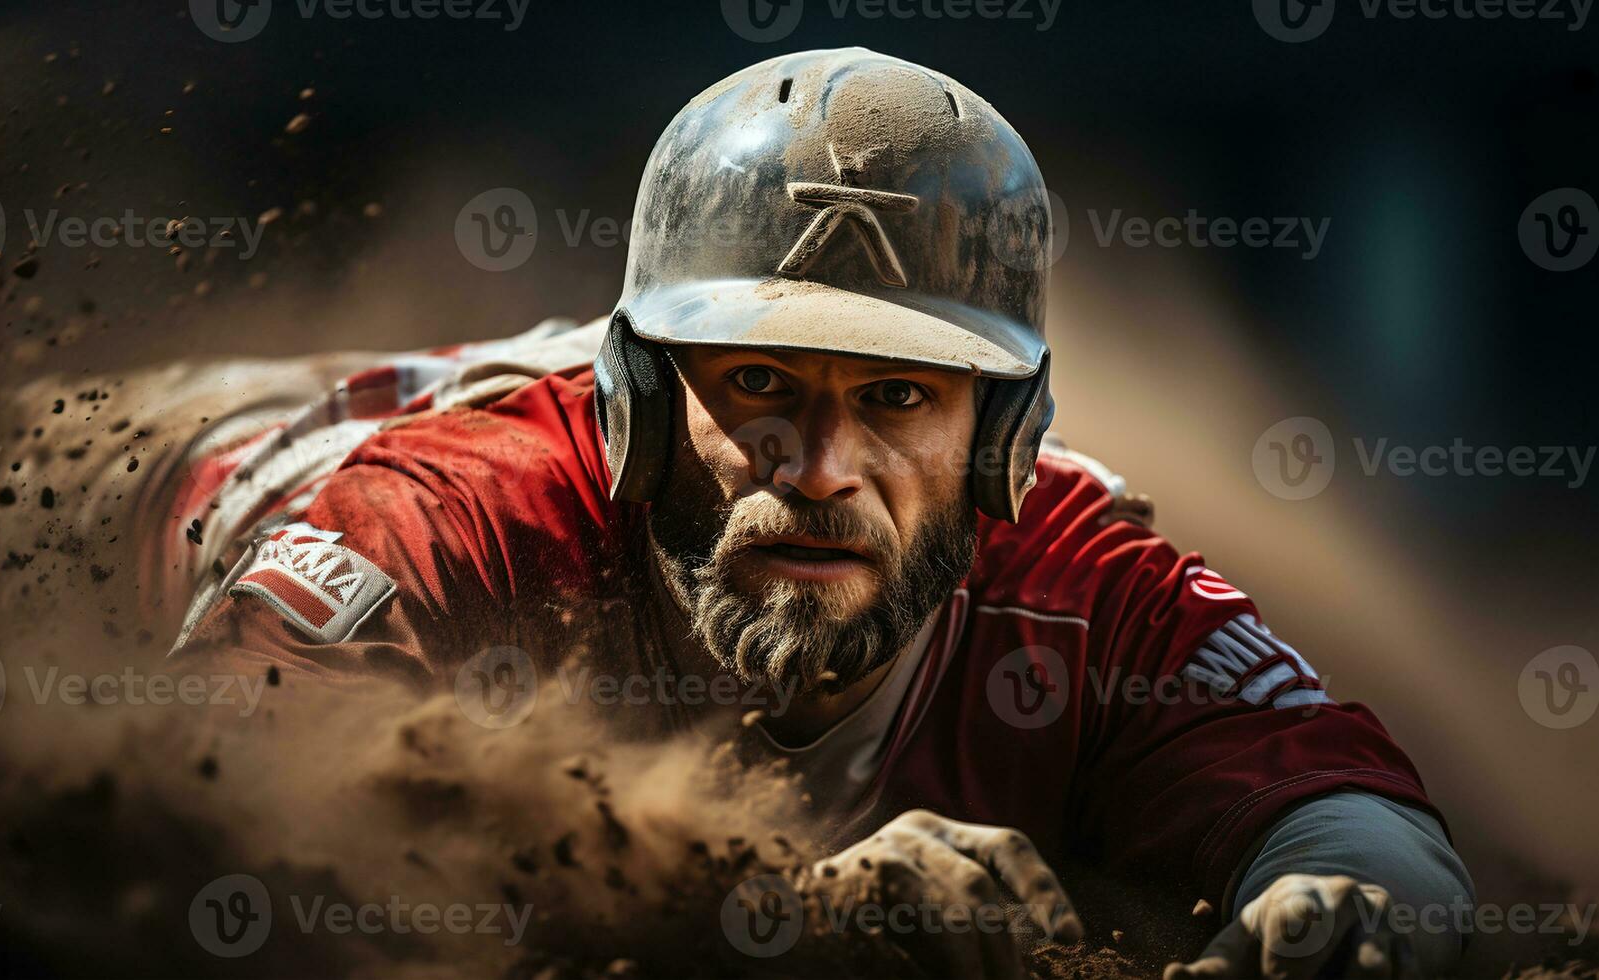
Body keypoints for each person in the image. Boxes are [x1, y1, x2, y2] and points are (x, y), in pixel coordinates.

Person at [169, 48, 1472, 978]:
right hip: (144, 444)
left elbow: (1346, 809)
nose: (818, 467)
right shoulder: (469, 502)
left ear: (1004, 440)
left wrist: (1336, 907)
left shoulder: (1074, 581)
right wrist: (742, 912)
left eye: (900, 395)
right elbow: (230, 797)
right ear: (627, 399)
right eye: (754, 385)